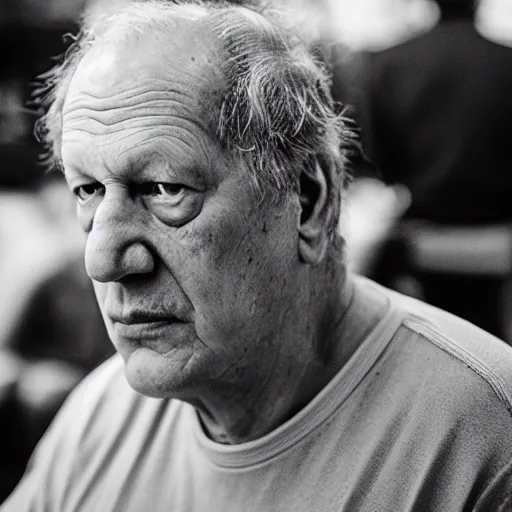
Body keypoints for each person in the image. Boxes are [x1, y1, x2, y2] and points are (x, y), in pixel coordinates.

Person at [3, 1, 512, 510]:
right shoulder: (99, 417)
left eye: (164, 189)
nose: (103, 260)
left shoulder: (484, 446)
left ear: (308, 201)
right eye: (87, 190)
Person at [350, 0, 512, 339]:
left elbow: (380, 163)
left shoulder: (388, 63)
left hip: (425, 231)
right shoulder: (505, 61)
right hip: (499, 233)